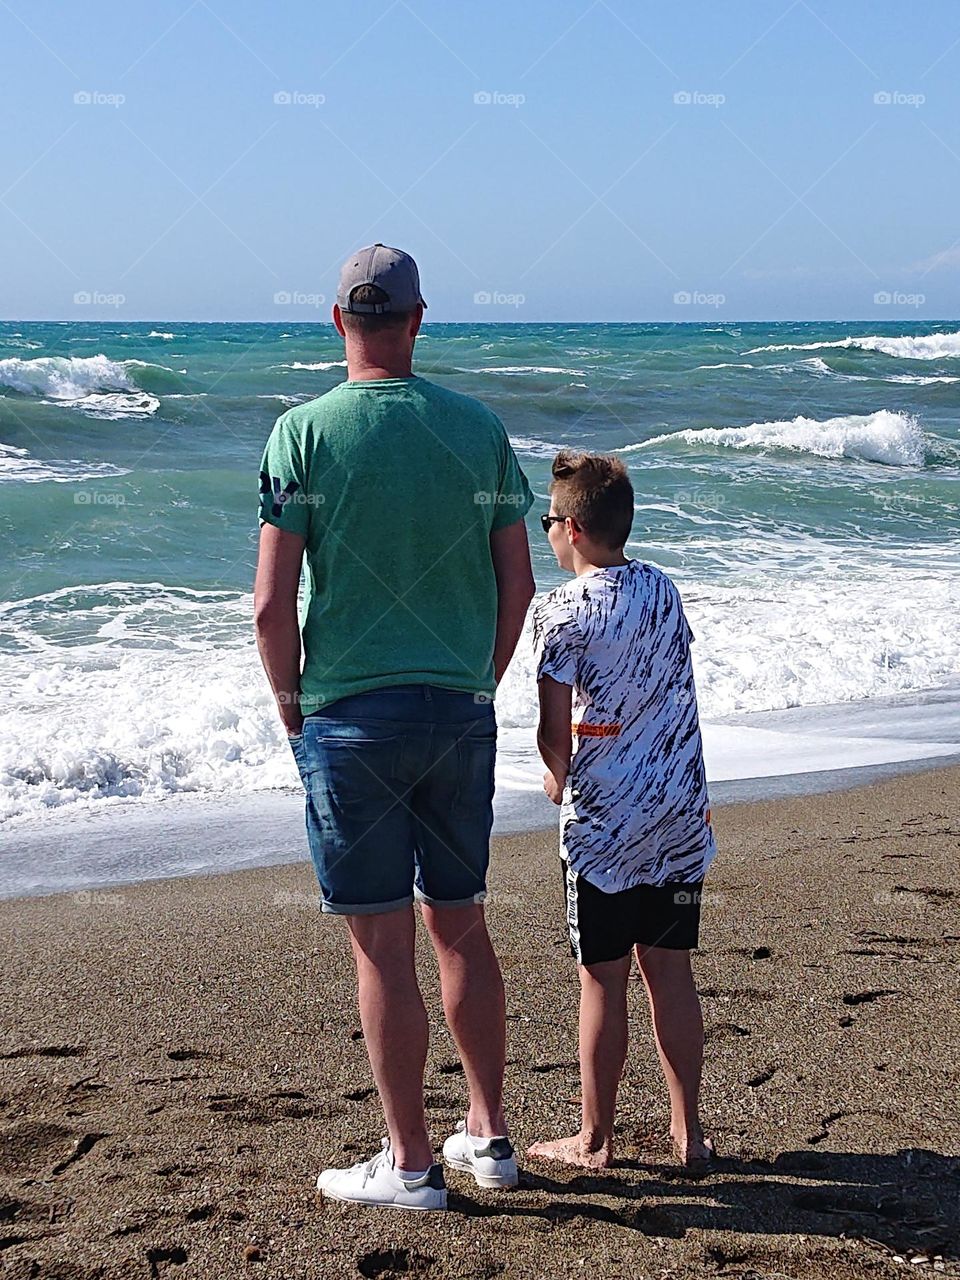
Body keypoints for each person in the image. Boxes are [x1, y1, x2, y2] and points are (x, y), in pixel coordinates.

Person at [254, 245, 535, 1211]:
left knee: (380, 942)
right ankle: (491, 1137)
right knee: (460, 920)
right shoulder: (478, 428)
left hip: (351, 717)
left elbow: (269, 604)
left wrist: (296, 709)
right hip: (455, 708)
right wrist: (478, 682)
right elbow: (519, 582)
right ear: (419, 320)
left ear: (337, 322)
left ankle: (411, 1161)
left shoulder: (302, 434)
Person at [526, 450, 717, 1171]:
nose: (545, 531)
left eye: (548, 520)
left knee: (601, 977)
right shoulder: (663, 588)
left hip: (607, 822)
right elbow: (670, 686)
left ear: (571, 528)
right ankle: (689, 1134)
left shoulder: (561, 609)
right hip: (676, 810)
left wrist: (556, 773)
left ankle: (596, 1139)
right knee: (670, 970)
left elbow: (552, 724)